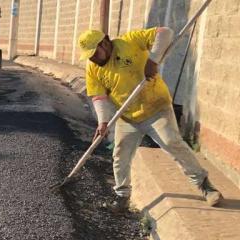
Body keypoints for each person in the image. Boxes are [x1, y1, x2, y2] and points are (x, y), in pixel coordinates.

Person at [79, 27, 223, 212]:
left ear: (105, 43)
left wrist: (153, 60)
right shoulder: (92, 68)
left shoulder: (130, 41)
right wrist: (103, 122)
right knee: (120, 155)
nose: (92, 58)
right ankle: (122, 197)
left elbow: (165, 32)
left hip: (156, 108)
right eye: (89, 56)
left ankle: (205, 186)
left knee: (172, 143)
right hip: (127, 116)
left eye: (94, 53)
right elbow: (99, 97)